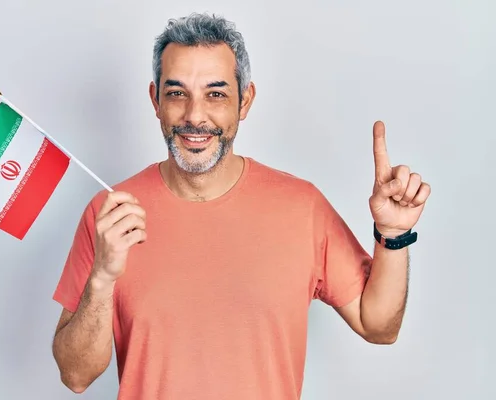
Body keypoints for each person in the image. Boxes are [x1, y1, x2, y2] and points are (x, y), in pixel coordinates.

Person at [50, 12, 431, 400]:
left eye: (216, 94)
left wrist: (394, 235)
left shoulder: (301, 207)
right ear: (155, 100)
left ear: (244, 100)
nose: (195, 115)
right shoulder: (110, 214)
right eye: (177, 93)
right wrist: (101, 280)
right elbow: (76, 375)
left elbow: (378, 326)